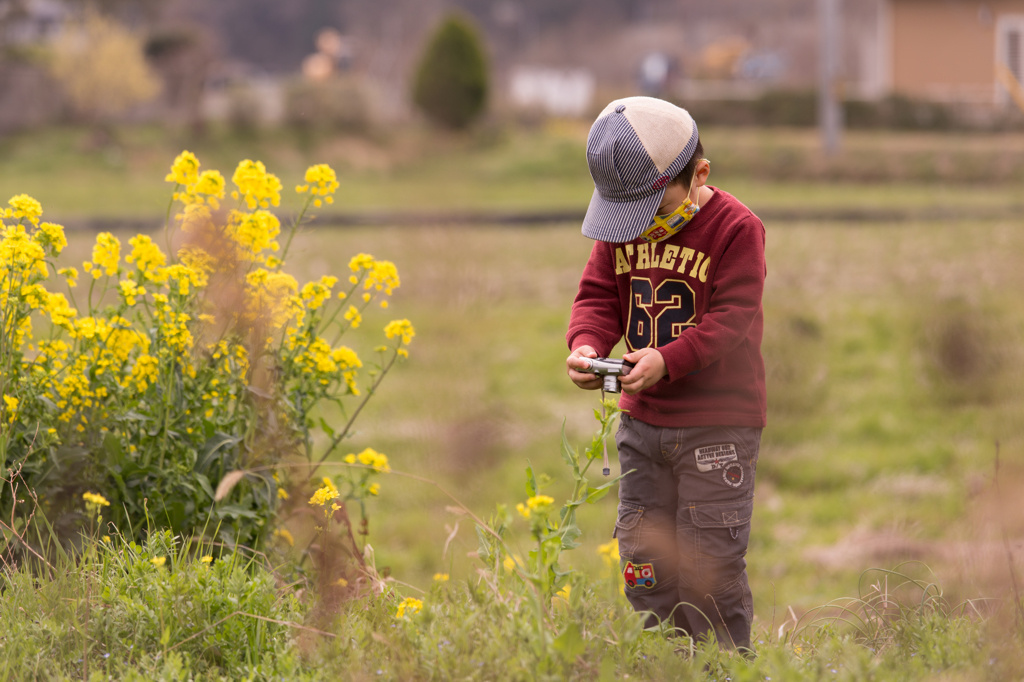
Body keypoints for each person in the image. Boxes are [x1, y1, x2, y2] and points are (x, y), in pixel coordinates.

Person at [565, 96, 766, 652]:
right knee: (644, 559)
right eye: (624, 215)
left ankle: (726, 666)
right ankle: (663, 660)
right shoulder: (621, 229)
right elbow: (599, 297)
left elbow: (733, 318)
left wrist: (668, 360)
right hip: (642, 426)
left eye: (649, 210)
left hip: (717, 427)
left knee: (709, 566)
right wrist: (585, 346)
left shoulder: (737, 229)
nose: (638, 228)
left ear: (699, 173)